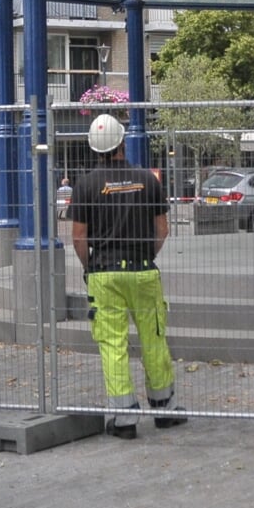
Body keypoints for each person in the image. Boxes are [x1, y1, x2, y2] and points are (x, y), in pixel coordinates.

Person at [69, 113, 185, 440]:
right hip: (143, 271)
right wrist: (147, 255)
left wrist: (89, 266)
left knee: (113, 344)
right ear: (122, 141)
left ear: (95, 148)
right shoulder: (148, 179)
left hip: (105, 275)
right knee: (154, 337)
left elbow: (79, 237)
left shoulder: (86, 184)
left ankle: (124, 418)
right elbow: (162, 229)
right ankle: (164, 409)